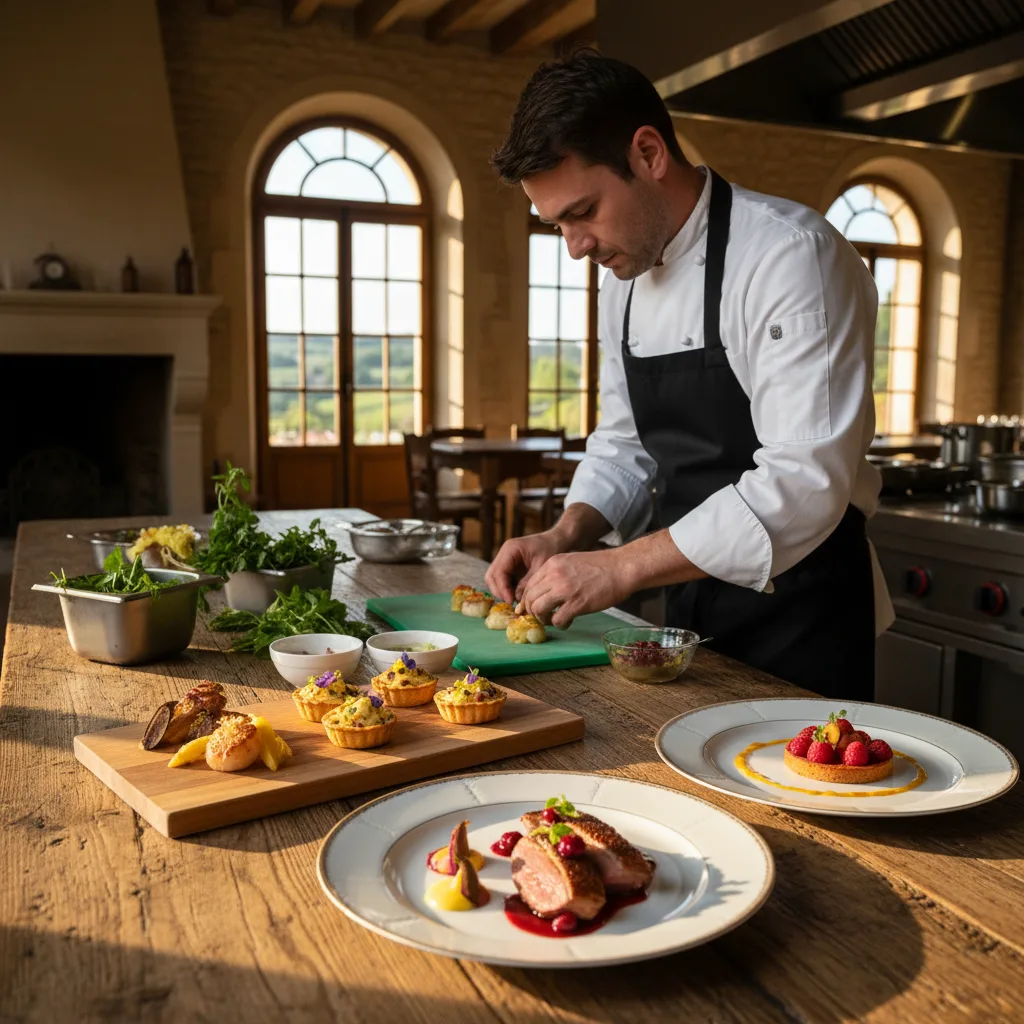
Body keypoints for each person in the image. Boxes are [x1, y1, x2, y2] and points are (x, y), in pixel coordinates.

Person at [485, 49, 893, 700]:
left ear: (649, 154)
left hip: (802, 617)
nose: (575, 246)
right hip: (686, 617)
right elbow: (625, 445)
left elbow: (804, 482)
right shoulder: (620, 280)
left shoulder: (789, 257)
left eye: (583, 211)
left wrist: (620, 566)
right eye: (557, 223)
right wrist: (566, 537)